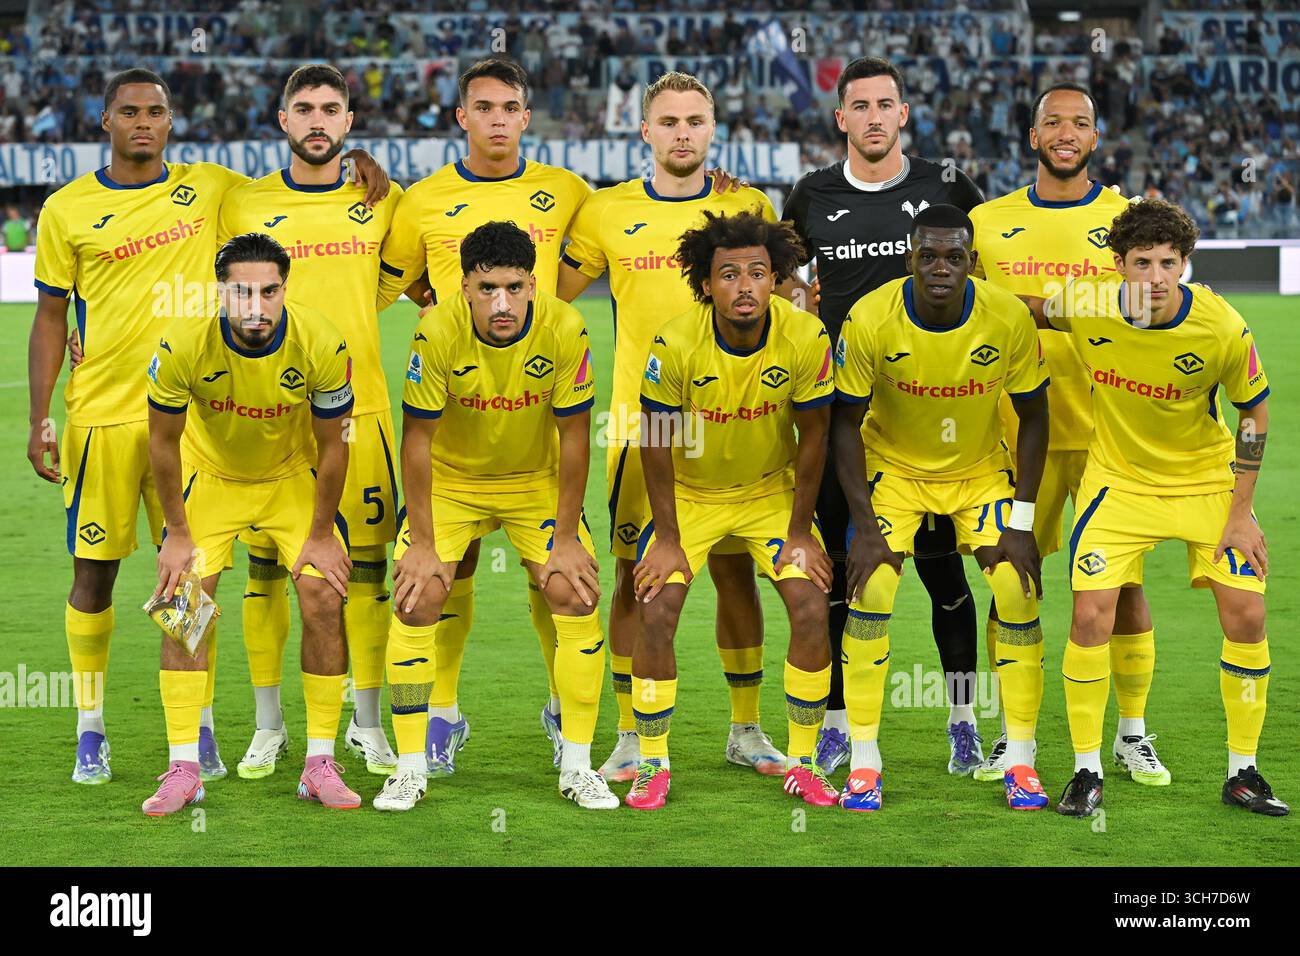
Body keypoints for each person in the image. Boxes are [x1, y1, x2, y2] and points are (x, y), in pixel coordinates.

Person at [32, 67, 386, 787]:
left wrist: (358, 163)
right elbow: (48, 316)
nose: (142, 122)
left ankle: (199, 736)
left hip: (199, 419)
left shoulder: (217, 188)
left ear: (171, 121)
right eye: (128, 112)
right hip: (103, 413)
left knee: (201, 585)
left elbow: (298, 177)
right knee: (97, 577)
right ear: (106, 121)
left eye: (155, 112)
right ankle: (90, 728)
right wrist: (39, 414)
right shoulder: (66, 208)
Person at [1021, 198, 1287, 818]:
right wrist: (966, 285)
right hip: (1118, 486)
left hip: (1206, 483)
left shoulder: (1221, 326)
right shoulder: (1088, 304)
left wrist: (1241, 511)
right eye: (1143, 263)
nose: (1158, 278)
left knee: (1246, 614)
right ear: (1119, 265)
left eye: (1171, 263)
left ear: (1186, 263)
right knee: (1090, 616)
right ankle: (1087, 772)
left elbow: (1255, 413)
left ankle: (1243, 772)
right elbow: (1031, 309)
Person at [557, 71, 785, 782]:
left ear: (712, 129)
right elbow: (551, 299)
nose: (683, 132)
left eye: (695, 120)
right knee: (636, 579)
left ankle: (745, 729)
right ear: (645, 132)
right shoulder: (604, 212)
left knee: (735, 571)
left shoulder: (746, 204)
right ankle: (630, 733)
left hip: (737, 422)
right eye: (669, 121)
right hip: (641, 428)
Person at [375, 58, 593, 772]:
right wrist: (450, 324)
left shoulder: (566, 192)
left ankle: (566, 713)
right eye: (483, 107)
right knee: (447, 567)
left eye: (510, 107)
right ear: (461, 116)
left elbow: (590, 269)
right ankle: (441, 714)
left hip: (533, 423)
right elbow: (399, 279)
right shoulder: (422, 201)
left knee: (555, 578)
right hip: (454, 421)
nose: (497, 118)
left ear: (527, 116)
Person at [781, 57, 987, 777]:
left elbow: (978, 275)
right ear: (841, 118)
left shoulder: (948, 186)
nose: (872, 116)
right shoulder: (810, 193)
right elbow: (781, 276)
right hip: (840, 419)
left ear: (904, 114)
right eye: (859, 105)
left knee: (942, 574)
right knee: (842, 570)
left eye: (885, 104)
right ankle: (838, 722)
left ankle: (963, 721)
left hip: (932, 418)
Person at [372, 221, 616, 812]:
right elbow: (418, 442)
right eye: (486, 289)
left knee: (574, 590)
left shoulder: (565, 326)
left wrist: (564, 538)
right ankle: (409, 767)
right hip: (453, 482)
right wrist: (425, 545)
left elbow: (576, 437)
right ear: (464, 287)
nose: (500, 303)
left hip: (536, 481)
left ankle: (578, 764)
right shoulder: (435, 333)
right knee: (417, 593)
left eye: (513, 287)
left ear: (533, 285)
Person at [969, 83, 1165, 786]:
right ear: (1031, 136)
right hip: (1014, 436)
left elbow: (1148, 304)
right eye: (1052, 121)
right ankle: (1012, 738)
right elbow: (969, 306)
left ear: (1095, 136)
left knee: (1125, 589)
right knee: (1010, 585)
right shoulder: (988, 221)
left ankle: (1132, 734)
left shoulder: (1128, 219)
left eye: (1079, 122)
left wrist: (1039, 308)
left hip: (1111, 435)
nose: (1066, 132)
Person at [217, 63, 404, 781]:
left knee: (363, 570)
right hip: (269, 415)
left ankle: (365, 724)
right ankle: (269, 728)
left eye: (332, 108)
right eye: (305, 108)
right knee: (267, 568)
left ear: (350, 123)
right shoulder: (244, 203)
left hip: (361, 412)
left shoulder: (383, 199)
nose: (318, 119)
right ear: (283, 120)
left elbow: (400, 280)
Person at [831, 204, 1051, 811]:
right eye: (928, 255)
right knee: (871, 588)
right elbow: (843, 425)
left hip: (979, 472)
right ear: (910, 257)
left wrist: (1024, 523)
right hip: (896, 471)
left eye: (954, 257)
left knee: (1016, 589)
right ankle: (866, 760)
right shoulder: (871, 317)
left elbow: (1034, 417)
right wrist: (866, 527)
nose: (940, 268)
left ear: (972, 263)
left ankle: (1021, 760)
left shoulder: (1005, 317)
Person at [143, 232, 356, 815]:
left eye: (268, 291)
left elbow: (334, 447)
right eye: (241, 292)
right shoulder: (183, 344)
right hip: (211, 480)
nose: (255, 306)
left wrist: (318, 533)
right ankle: (184, 766)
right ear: (221, 293)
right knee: (182, 603)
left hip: (290, 480)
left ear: (285, 290)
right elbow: (161, 444)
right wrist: (177, 533)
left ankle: (319, 762)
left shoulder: (321, 340)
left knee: (322, 596)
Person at [629, 210, 836, 810]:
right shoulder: (674, 341)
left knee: (809, 601)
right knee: (657, 606)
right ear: (705, 283)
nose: (743, 287)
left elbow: (815, 436)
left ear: (776, 279)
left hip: (768, 492)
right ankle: (652, 763)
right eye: (728, 275)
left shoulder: (804, 336)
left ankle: (803, 761)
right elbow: (655, 440)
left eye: (756, 273)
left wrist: (801, 531)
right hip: (690, 496)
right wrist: (666, 537)